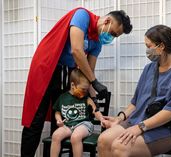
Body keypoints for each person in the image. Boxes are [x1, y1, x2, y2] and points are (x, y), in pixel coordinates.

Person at [21, 7, 132, 157]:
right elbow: (76, 50)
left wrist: (94, 97)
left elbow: (89, 73)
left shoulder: (97, 43)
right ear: (107, 21)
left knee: (60, 118)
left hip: (66, 70)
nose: (111, 37)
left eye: (115, 36)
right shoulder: (82, 15)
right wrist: (95, 82)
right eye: (113, 33)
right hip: (46, 64)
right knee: (36, 119)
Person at [98, 25, 171, 157]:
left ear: (161, 46)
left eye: (148, 46)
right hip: (138, 120)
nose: (146, 50)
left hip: (167, 129)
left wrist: (140, 127)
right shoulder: (149, 69)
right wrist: (119, 118)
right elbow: (136, 102)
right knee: (103, 140)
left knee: (120, 146)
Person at [50, 69, 106, 157]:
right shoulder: (62, 98)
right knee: (55, 136)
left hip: (84, 124)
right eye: (83, 89)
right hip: (68, 125)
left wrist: (102, 119)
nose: (85, 92)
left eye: (86, 90)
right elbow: (57, 112)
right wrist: (59, 120)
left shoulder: (86, 99)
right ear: (73, 85)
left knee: (75, 137)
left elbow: (95, 111)